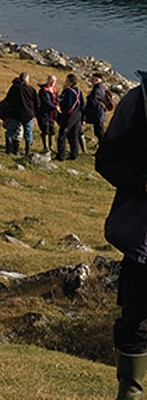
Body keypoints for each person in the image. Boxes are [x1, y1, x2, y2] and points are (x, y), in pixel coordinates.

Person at [95, 70, 147, 398]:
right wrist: (141, 184)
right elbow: (107, 159)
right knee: (136, 324)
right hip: (144, 241)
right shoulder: (139, 101)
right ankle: (131, 392)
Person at [0, 72, 37, 156]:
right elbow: (37, 103)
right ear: (27, 80)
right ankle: (28, 151)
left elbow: (8, 100)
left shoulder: (14, 88)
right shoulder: (32, 90)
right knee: (28, 133)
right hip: (28, 114)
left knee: (10, 131)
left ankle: (9, 149)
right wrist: (34, 112)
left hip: (15, 113)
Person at [56, 73, 84, 161]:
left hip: (69, 115)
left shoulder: (68, 92)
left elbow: (66, 103)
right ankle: (74, 154)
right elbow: (82, 104)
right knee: (74, 134)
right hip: (77, 114)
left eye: (67, 81)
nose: (65, 82)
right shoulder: (78, 91)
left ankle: (61, 155)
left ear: (70, 83)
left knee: (62, 134)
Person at [87, 73, 114, 146]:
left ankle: (104, 145)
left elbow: (93, 102)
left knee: (99, 132)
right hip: (100, 114)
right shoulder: (101, 88)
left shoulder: (97, 89)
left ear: (96, 80)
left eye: (92, 79)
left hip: (98, 114)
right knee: (99, 131)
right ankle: (103, 145)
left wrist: (89, 97)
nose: (91, 81)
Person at [35, 74, 59, 153]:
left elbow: (57, 99)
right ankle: (45, 147)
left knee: (52, 129)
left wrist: (58, 104)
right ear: (48, 80)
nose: (53, 82)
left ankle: (51, 146)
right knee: (45, 129)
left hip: (52, 114)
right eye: (51, 80)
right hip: (44, 113)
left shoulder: (55, 90)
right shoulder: (43, 90)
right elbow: (46, 102)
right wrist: (54, 107)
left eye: (54, 81)